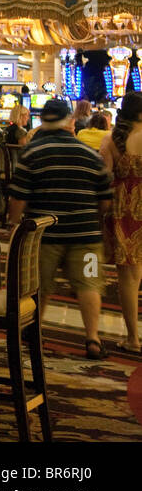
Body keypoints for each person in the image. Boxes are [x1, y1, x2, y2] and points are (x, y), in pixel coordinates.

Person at [7, 99, 114, 360]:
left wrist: (14, 225)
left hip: (45, 236)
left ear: (43, 122)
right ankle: (93, 339)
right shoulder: (90, 154)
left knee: (40, 285)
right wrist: (93, 220)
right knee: (89, 284)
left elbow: (18, 199)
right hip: (86, 236)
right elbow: (105, 200)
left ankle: (34, 333)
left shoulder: (31, 153)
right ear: (69, 121)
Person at [102, 91, 142, 355]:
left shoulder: (112, 140)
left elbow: (103, 182)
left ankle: (133, 338)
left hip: (123, 211)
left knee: (127, 278)